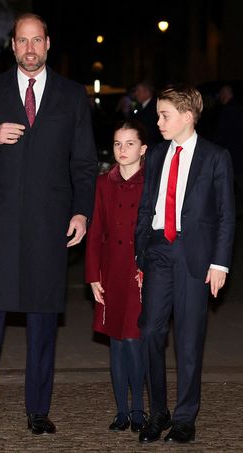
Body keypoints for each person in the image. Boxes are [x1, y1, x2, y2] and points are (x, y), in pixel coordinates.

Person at [0, 13, 97, 436]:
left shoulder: (72, 96)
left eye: (37, 40)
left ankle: (38, 411)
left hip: (49, 225)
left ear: (48, 43)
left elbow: (84, 164)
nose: (30, 49)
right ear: (12, 46)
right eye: (22, 41)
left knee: (42, 321)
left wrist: (81, 211)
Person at [134, 85, 235, 444]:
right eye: (158, 114)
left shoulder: (215, 156)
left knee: (189, 340)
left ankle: (185, 417)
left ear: (187, 117)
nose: (158, 121)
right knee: (150, 332)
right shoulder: (158, 155)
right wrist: (140, 251)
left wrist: (220, 263)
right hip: (159, 250)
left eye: (165, 115)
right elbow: (147, 205)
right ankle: (158, 411)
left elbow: (226, 214)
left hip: (195, 255)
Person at [85, 120, 148, 433]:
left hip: (139, 273)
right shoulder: (102, 183)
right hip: (111, 272)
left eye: (130, 143)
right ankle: (121, 411)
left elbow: (157, 231)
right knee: (117, 345)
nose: (123, 150)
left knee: (134, 341)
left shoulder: (151, 182)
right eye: (118, 144)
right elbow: (95, 231)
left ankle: (139, 409)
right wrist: (93, 275)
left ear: (143, 148)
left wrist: (150, 268)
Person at [215, 84, 243, 218]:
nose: (220, 97)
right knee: (238, 182)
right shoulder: (236, 108)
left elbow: (225, 133)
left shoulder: (230, 110)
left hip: (233, 153)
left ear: (227, 94)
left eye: (222, 94)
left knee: (239, 182)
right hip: (237, 152)